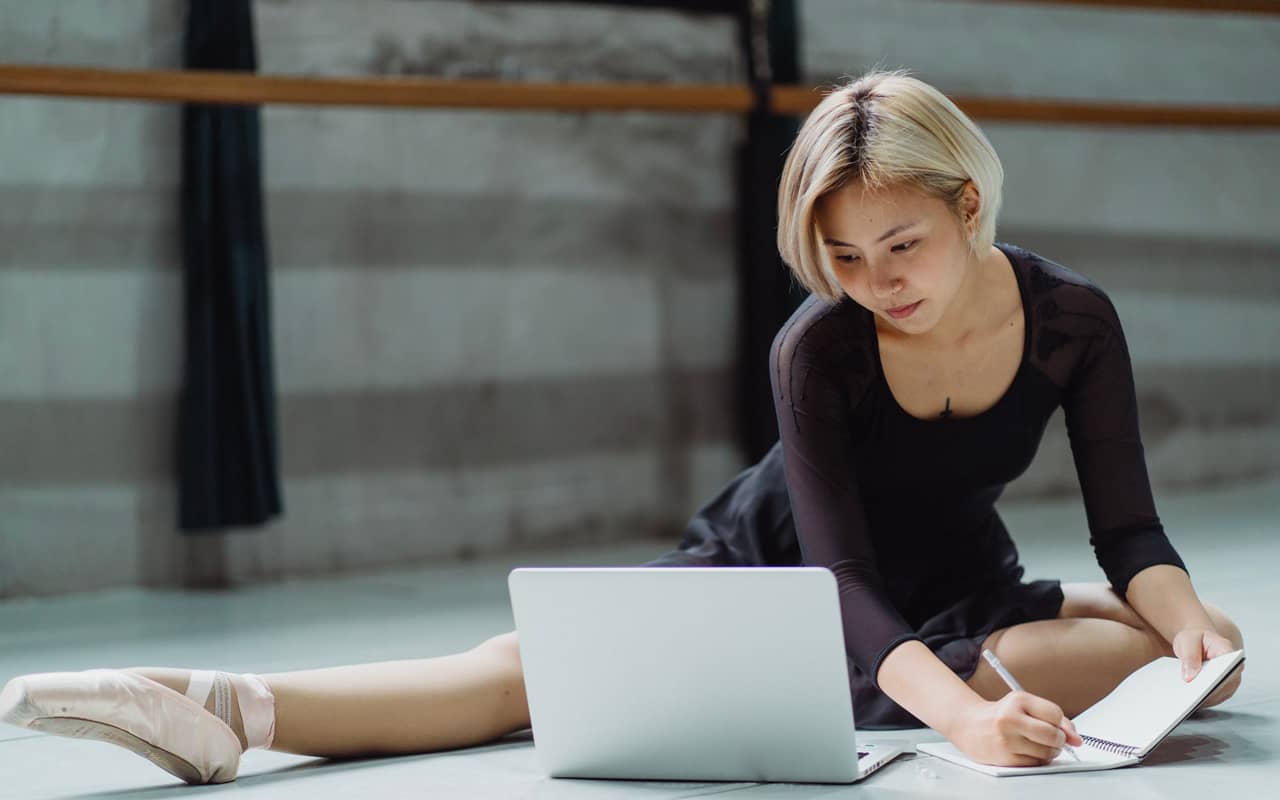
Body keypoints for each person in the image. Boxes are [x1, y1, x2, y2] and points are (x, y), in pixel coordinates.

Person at [0, 69, 1244, 785]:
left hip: (959, 580)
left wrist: (1182, 619)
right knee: (524, 676)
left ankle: (1052, 625)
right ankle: (223, 706)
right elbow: (842, 576)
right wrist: (964, 719)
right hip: (789, 570)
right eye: (844, 258)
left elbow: (1129, 521)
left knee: (1163, 637)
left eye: (901, 245)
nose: (878, 281)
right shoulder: (816, 345)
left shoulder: (1073, 319)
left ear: (967, 204)